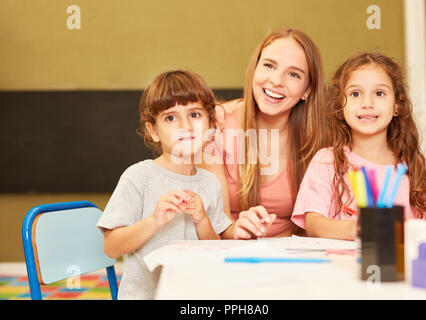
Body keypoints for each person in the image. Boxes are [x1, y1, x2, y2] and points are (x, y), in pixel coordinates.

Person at [96, 70, 233, 299]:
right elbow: (111, 247)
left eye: (195, 115)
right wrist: (154, 220)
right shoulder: (138, 177)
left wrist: (202, 220)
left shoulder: (210, 183)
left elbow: (213, 249)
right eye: (171, 118)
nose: (185, 126)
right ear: (153, 130)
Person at [291, 52, 426, 240]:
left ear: (397, 105)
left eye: (379, 93)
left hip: (397, 267)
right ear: (340, 104)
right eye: (355, 94)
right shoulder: (327, 161)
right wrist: (359, 228)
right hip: (339, 267)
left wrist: (404, 228)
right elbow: (314, 225)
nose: (367, 103)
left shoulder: (414, 163)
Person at [200, 28, 329, 239]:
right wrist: (239, 231)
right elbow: (217, 224)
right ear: (254, 69)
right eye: (269, 65)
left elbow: (314, 226)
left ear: (307, 90)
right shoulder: (215, 126)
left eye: (294, 74)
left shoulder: (320, 142)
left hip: (292, 257)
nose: (277, 81)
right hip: (228, 255)